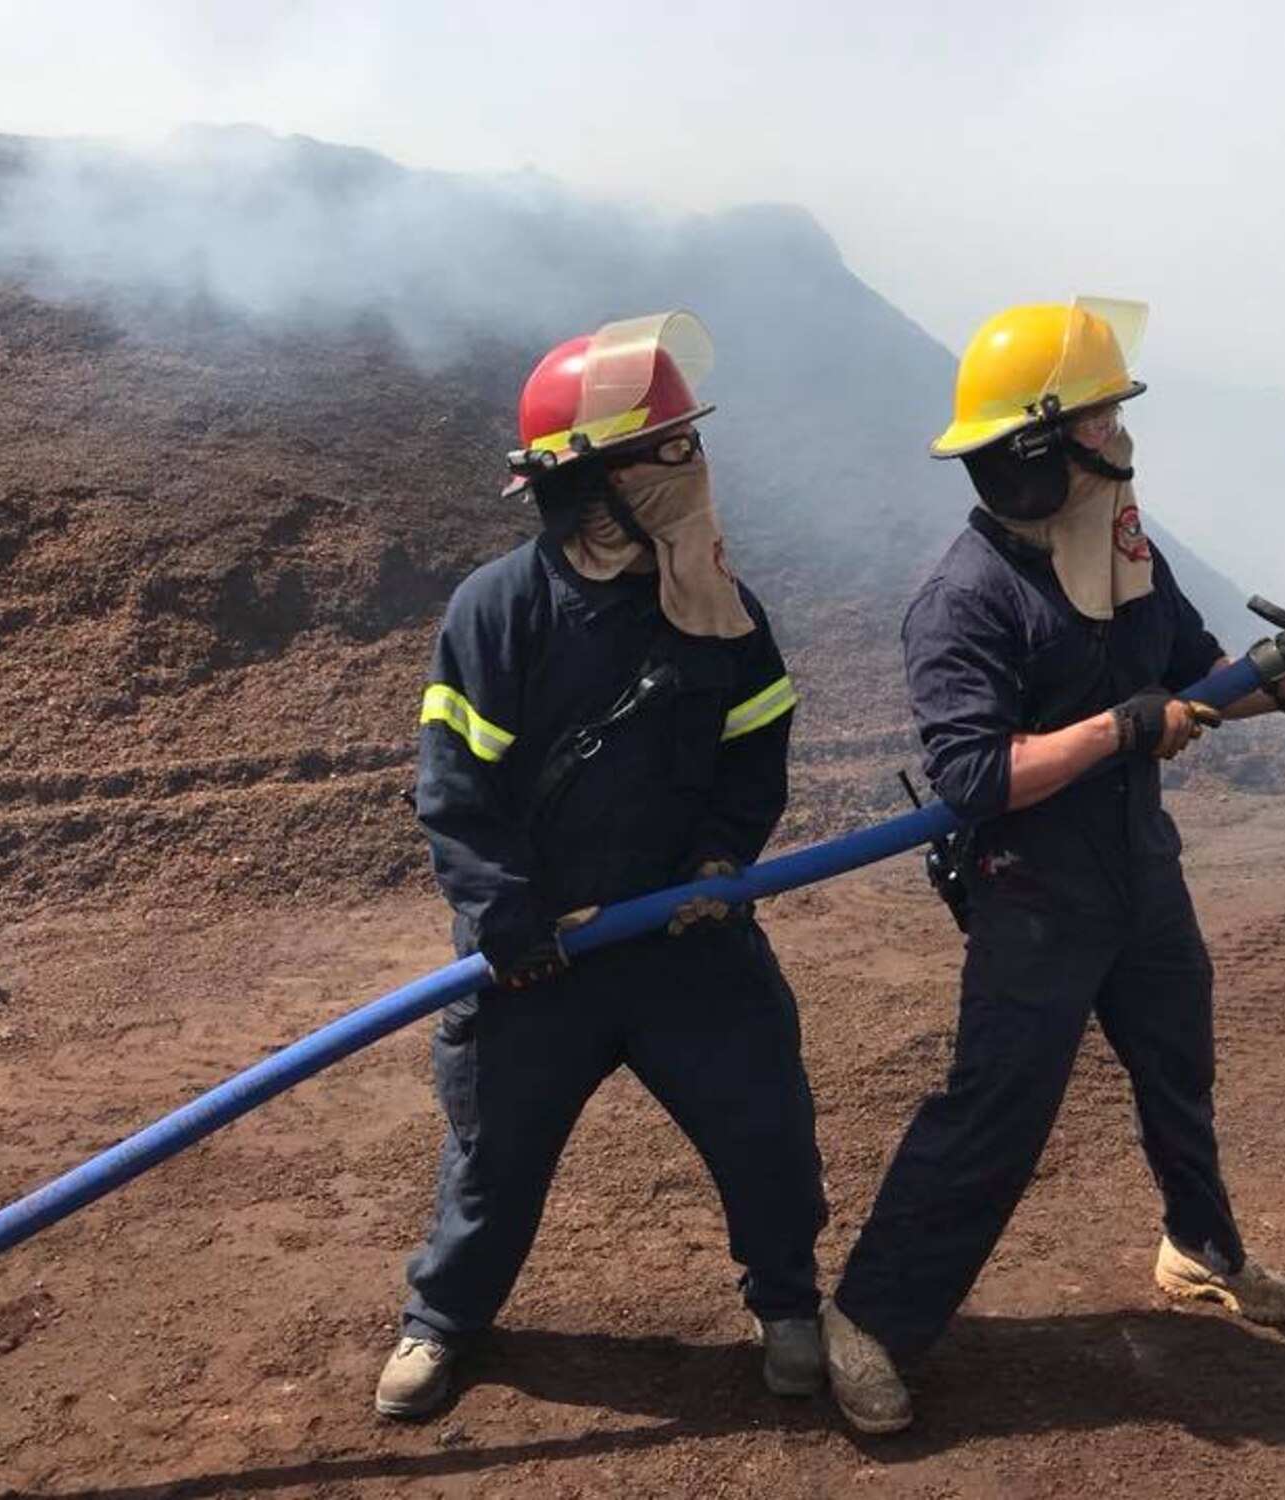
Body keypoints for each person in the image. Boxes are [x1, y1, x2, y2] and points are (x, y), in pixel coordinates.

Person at [821, 299, 1285, 1433]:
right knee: (995, 1113)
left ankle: (1199, 1252)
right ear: (1038, 450)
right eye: (1100, 416)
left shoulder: (1117, 546)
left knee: (1177, 1070)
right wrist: (1119, 728)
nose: (1121, 434)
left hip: (1137, 872)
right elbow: (971, 775)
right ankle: (867, 1321)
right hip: (1032, 895)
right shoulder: (965, 599)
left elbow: (1196, 674)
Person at [376, 313, 827, 1419]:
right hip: (538, 959)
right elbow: (453, 788)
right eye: (669, 450)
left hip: (686, 940)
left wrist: (723, 858)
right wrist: (502, 917)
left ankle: (788, 1303)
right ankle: (442, 1322)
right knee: (492, 1159)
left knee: (764, 1125)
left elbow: (754, 749)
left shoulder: (720, 609)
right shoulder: (499, 609)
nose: (696, 469)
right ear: (597, 480)